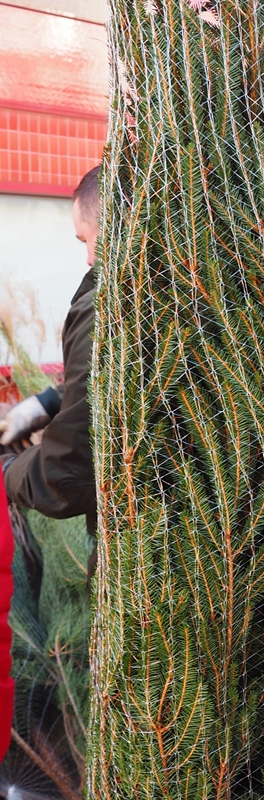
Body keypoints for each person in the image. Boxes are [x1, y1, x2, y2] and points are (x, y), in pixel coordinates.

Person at [1, 166, 99, 534]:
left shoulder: (106, 308)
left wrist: (9, 470)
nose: (88, 258)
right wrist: (49, 402)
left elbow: (68, 473)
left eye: (84, 240)